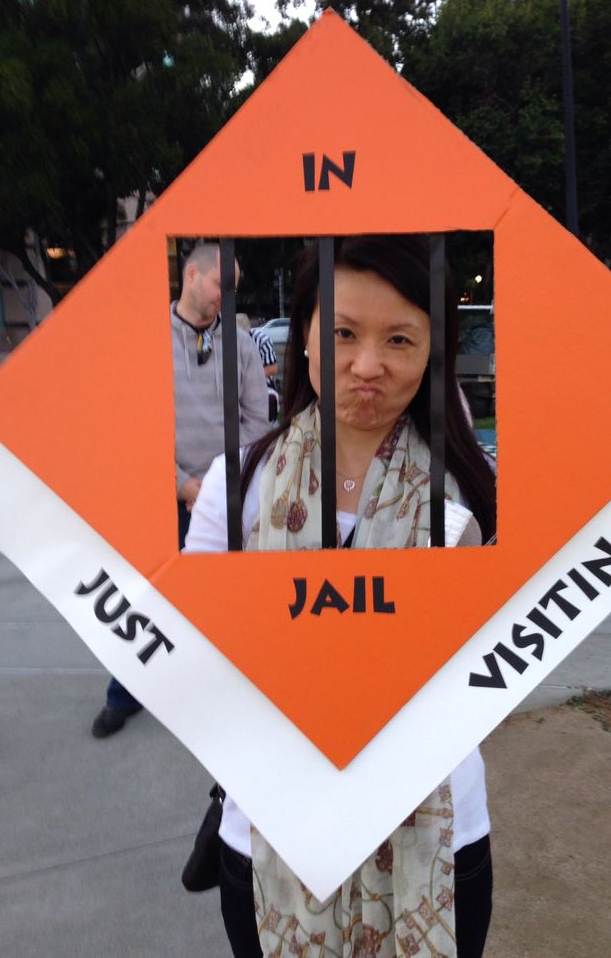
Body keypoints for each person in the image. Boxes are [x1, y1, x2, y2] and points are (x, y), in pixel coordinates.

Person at [186, 235, 497, 956]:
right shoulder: (235, 489)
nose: (367, 366)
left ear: (434, 348)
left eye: (400, 339)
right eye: (344, 333)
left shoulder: (471, 495)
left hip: (442, 832)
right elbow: (197, 668)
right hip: (269, 834)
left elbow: (494, 663)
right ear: (303, 335)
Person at [91, 243, 270, 739]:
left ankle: (225, 695)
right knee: (146, 598)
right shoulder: (145, 340)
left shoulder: (242, 343)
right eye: (220, 286)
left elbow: (258, 419)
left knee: (227, 601)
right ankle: (123, 695)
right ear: (192, 274)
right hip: (160, 496)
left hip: (224, 497)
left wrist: (217, 486)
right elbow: (129, 422)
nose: (226, 298)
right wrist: (179, 484)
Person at [236, 312, 280, 422]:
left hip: (262, 384)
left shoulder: (262, 341)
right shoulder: (226, 342)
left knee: (269, 400)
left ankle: (268, 429)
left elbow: (273, 368)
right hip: (234, 386)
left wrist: (249, 377)